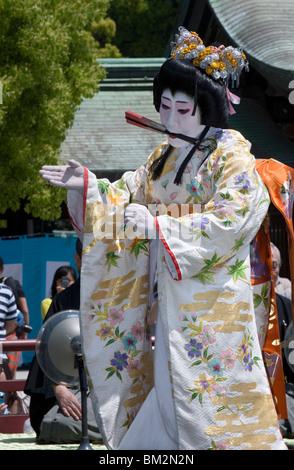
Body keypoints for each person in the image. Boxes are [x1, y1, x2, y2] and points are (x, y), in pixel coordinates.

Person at [39, 27, 288, 450]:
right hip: (169, 302)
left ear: (207, 109)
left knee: (211, 398)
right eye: (165, 106)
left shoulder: (231, 156)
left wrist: (160, 226)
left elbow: (233, 219)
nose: (169, 119)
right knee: (168, 389)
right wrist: (89, 187)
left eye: (182, 109)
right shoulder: (164, 156)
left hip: (213, 305)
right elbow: (128, 194)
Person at [25, 239, 101, 444]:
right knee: (63, 424)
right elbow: (46, 354)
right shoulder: (63, 300)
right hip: (67, 390)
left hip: (104, 391)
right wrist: (59, 390)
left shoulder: (121, 298)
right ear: (78, 260)